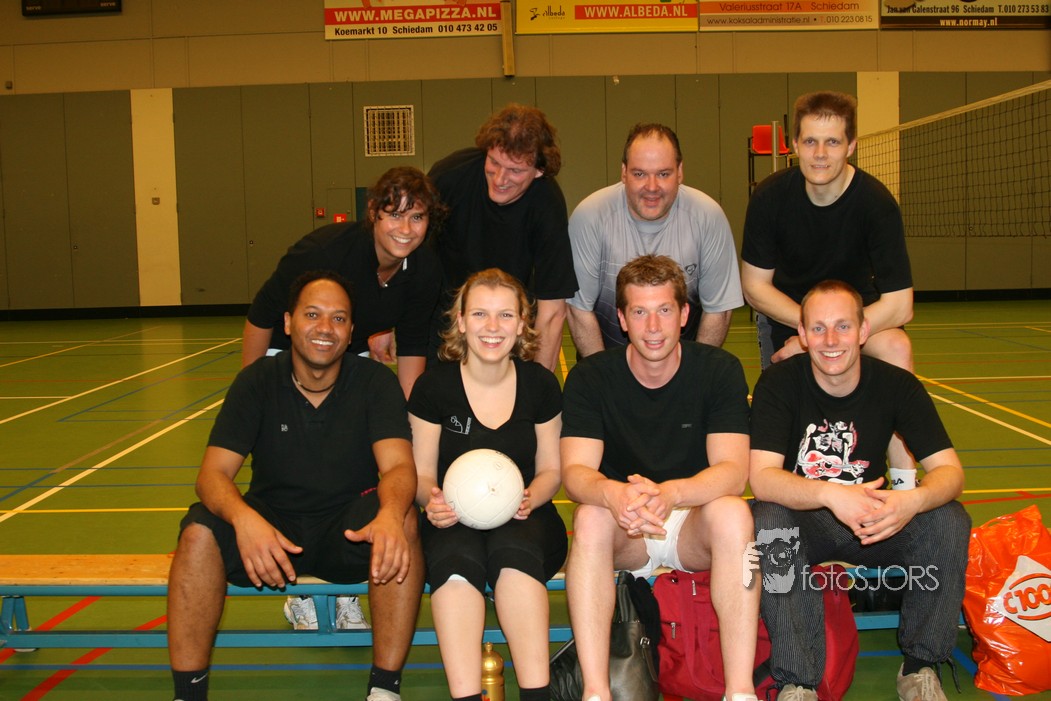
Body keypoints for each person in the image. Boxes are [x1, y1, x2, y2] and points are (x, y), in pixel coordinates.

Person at [167, 271, 424, 701]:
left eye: (339, 318)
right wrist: (244, 519)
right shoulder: (257, 381)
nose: (325, 328)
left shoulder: (374, 382)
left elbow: (398, 466)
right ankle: (188, 693)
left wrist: (390, 514)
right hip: (270, 535)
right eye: (312, 314)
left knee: (403, 521)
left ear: (351, 332)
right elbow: (211, 476)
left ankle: (384, 688)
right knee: (198, 534)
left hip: (348, 532)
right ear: (288, 323)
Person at [748, 280, 969, 701]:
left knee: (948, 518)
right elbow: (762, 478)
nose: (831, 341)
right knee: (767, 520)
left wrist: (912, 500)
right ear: (802, 333)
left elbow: (950, 472)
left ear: (864, 331)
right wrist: (831, 495)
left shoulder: (896, 385)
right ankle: (798, 682)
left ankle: (920, 667)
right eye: (818, 328)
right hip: (808, 524)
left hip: (877, 523)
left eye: (843, 327)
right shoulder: (779, 383)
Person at [560, 254, 759, 701]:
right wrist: (613, 494)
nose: (653, 326)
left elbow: (732, 472)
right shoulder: (592, 377)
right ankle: (596, 692)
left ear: (685, 314)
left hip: (692, 521)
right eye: (639, 311)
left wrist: (672, 494)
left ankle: (740, 691)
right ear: (621, 318)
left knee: (734, 514)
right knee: (589, 517)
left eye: (664, 310)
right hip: (626, 526)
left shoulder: (719, 370)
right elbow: (575, 473)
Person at [408, 268, 567, 701]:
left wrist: (532, 496)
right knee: (456, 563)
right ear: (460, 321)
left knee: (515, 556)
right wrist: (432, 501)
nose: (492, 327)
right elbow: (421, 473)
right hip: (451, 517)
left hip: (526, 515)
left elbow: (552, 469)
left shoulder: (540, 385)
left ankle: (537, 694)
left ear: (522, 323)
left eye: (505, 315)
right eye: (479, 314)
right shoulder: (432, 387)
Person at [741, 90, 915, 473]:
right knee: (788, 419)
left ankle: (904, 481)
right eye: (810, 142)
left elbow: (901, 305)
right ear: (794, 145)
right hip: (789, 321)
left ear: (851, 146)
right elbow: (754, 287)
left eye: (832, 142)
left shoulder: (876, 204)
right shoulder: (769, 198)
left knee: (897, 348)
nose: (820, 154)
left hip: (860, 321)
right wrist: (810, 333)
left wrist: (831, 334)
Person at [242, 166, 446, 399]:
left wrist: (411, 412)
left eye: (417, 217)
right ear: (373, 212)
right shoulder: (322, 253)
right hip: (286, 350)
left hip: (349, 352)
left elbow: (412, 343)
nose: (406, 229)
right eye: (395, 215)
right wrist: (250, 391)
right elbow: (262, 315)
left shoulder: (426, 270)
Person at [567, 123, 743, 355]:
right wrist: (602, 374)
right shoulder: (590, 217)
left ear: (680, 172)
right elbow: (579, 310)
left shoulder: (707, 217)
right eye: (639, 174)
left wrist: (696, 371)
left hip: (683, 363)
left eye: (663, 174)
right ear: (624, 172)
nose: (652, 187)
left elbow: (718, 311)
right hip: (604, 359)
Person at [427, 104, 578, 372]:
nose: (499, 179)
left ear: (539, 170)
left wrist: (538, 385)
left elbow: (553, 310)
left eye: (515, 170)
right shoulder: (449, 177)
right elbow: (411, 255)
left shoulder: (547, 204)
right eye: (494, 162)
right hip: (445, 320)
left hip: (509, 325)